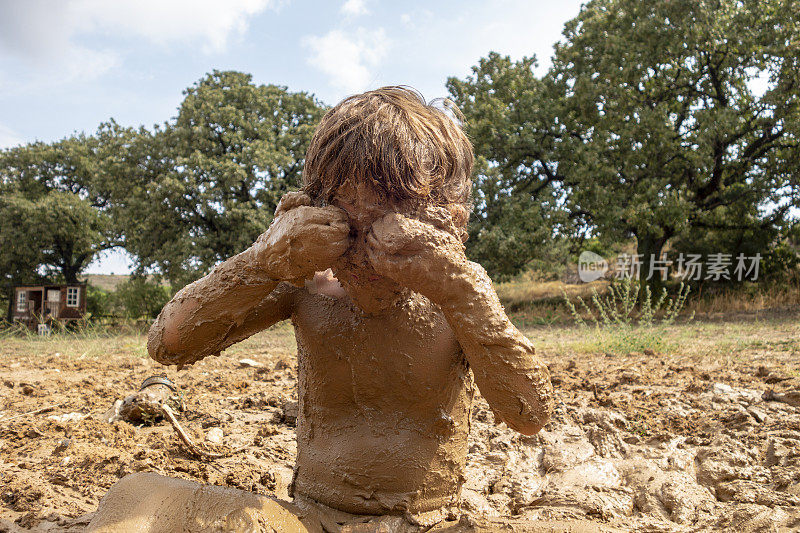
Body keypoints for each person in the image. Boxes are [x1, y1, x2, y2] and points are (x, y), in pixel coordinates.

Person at [88, 86, 553, 533]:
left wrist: (461, 293)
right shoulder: (304, 285)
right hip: (309, 521)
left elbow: (529, 413)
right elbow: (168, 345)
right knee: (138, 498)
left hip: (433, 522)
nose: (365, 257)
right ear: (312, 214)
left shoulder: (460, 294)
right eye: (346, 230)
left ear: (450, 224)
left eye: (387, 230)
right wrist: (260, 261)